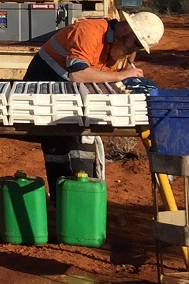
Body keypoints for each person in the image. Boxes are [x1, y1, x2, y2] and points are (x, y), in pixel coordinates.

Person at [26, 10, 164, 189]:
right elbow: (78, 74)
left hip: (67, 92)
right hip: (43, 90)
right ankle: (70, 199)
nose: (133, 51)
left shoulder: (117, 47)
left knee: (78, 142)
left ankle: (72, 200)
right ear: (125, 30)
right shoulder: (89, 31)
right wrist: (121, 76)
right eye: (136, 43)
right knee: (67, 142)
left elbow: (99, 77)